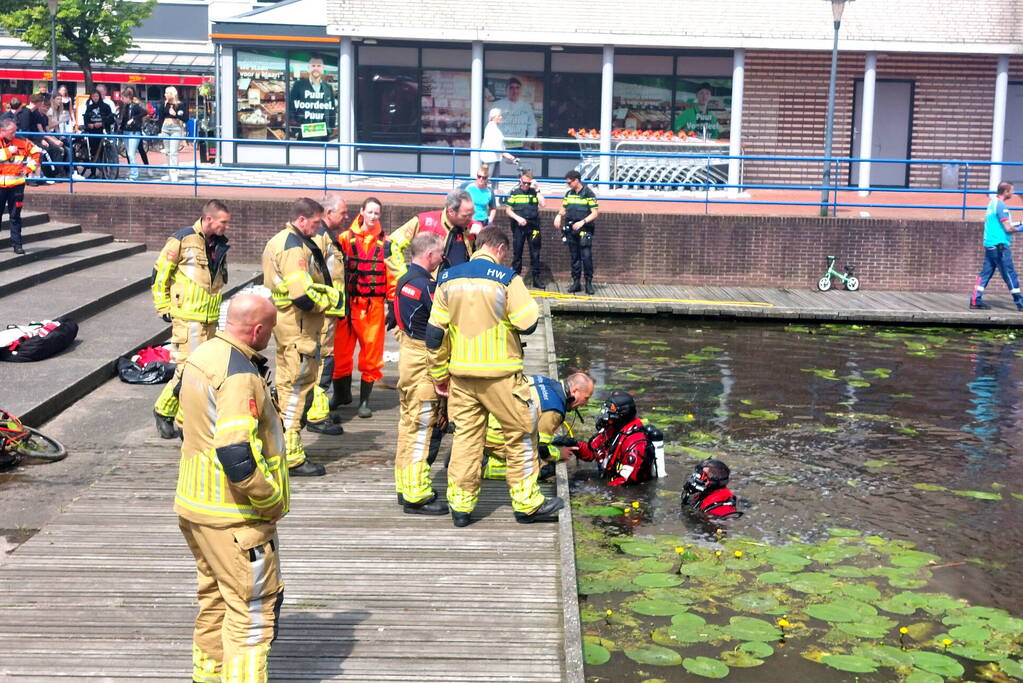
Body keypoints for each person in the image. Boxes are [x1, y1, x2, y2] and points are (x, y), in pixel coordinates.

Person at [174, 293, 290, 683]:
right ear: (257, 330)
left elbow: (182, 421)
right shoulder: (240, 375)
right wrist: (270, 498)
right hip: (234, 518)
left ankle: (208, 675)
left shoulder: (203, 355)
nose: (270, 338)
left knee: (215, 601)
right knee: (250, 616)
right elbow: (236, 451)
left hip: (195, 507)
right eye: (269, 330)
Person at [425, 226, 563, 527]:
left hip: (462, 377)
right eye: (505, 253)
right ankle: (527, 504)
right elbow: (528, 323)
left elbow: (435, 334)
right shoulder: (507, 279)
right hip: (501, 376)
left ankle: (460, 507)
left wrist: (439, 374)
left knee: (466, 439)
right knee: (522, 434)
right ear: (500, 248)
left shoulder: (447, 279)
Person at [262, 197, 342, 477]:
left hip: (288, 325)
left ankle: (280, 449)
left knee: (287, 387)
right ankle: (292, 457)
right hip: (298, 328)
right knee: (296, 390)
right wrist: (328, 301)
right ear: (301, 220)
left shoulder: (282, 240)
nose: (318, 228)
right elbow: (302, 295)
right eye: (316, 223)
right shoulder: (293, 247)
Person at [151, 200, 232, 439]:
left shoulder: (218, 244)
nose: (226, 226)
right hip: (188, 319)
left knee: (203, 372)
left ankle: (169, 411)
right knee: (188, 371)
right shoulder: (183, 239)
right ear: (209, 219)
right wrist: (163, 306)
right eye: (223, 222)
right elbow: (160, 272)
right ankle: (181, 421)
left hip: (210, 319)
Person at [393, 232, 449, 515]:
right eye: (440, 253)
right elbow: (442, 323)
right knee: (422, 428)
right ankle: (417, 494)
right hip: (423, 361)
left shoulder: (404, 280)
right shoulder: (427, 287)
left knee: (407, 425)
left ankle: (405, 486)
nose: (442, 257)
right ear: (429, 255)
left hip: (407, 358)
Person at [330, 197, 394, 419]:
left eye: (377, 213)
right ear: (362, 212)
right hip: (347, 304)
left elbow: (392, 273)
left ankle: (364, 401)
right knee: (340, 351)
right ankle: (341, 394)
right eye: (370, 212)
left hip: (373, 305)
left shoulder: (386, 243)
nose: (373, 216)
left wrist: (392, 302)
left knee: (371, 354)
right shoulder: (344, 239)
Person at [482, 372, 594, 481]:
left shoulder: (545, 381)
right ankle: (487, 467)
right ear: (575, 391)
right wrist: (559, 453)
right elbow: (541, 449)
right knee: (543, 469)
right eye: (586, 398)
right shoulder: (554, 410)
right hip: (495, 437)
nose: (586, 403)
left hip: (483, 422)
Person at [304, 193, 349, 431]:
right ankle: (316, 416)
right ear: (329, 213)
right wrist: (322, 304)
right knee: (323, 360)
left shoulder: (329, 237)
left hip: (330, 311)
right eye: (343, 213)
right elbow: (311, 274)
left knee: (326, 358)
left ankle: (319, 410)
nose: (346, 217)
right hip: (323, 312)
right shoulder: (320, 238)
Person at [553, 390, 655, 486]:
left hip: (628, 489)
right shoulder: (613, 429)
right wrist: (573, 444)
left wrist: (600, 490)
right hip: (610, 477)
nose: (606, 413)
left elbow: (626, 481)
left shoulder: (636, 443)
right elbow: (592, 452)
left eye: (611, 409)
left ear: (623, 414)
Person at [384, 188, 476, 281]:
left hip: (461, 286)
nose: (470, 219)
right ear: (451, 211)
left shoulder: (472, 227)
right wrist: (403, 276)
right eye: (465, 216)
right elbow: (391, 245)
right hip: (429, 285)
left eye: (472, 214)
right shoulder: (424, 221)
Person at [970, 181, 1022, 311]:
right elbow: (1007, 228)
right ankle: (1020, 303)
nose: (1013, 193)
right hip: (1000, 246)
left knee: (985, 273)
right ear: (1006, 191)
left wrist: (1018, 223)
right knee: (1010, 274)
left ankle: (975, 300)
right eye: (1012, 190)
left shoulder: (992, 203)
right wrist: (1021, 228)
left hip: (990, 245)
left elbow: (999, 224)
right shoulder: (1001, 206)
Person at [554, 170, 599, 295]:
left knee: (586, 257)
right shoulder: (569, 193)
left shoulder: (588, 193)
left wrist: (583, 222)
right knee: (575, 257)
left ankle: (588, 283)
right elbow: (564, 207)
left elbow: (595, 213)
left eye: (569, 183)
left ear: (576, 180)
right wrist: (558, 216)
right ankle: (576, 282)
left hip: (584, 229)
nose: (568, 185)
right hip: (571, 229)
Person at [0, 118, 41, 255]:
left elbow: (37, 152)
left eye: (15, 131)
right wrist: (8, 152)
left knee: (15, 216)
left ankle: (17, 245)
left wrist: (28, 168)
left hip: (16, 185)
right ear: (2, 131)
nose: (14, 134)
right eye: (11, 132)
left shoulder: (22, 142)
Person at [505, 167, 545, 289]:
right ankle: (515, 279)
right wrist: (518, 218)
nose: (526, 185)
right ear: (520, 180)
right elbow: (508, 210)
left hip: (533, 226)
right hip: (519, 227)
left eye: (528, 183)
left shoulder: (534, 192)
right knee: (517, 252)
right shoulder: (514, 192)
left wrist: (537, 189)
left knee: (535, 252)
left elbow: (543, 204)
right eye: (524, 182)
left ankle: (536, 279)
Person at [289, 54, 337, 141]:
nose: (316, 68)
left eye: (319, 66)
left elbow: (332, 110)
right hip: (304, 133)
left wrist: (330, 128)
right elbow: (291, 108)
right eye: (313, 66)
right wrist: (296, 129)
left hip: (323, 133)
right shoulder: (299, 85)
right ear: (308, 68)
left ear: (322, 68)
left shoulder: (328, 87)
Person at [491, 77, 538, 150]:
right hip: (502, 145)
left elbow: (532, 125)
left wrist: (529, 139)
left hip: (521, 145)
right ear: (506, 90)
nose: (515, 91)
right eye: (511, 88)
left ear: (521, 90)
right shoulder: (497, 105)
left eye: (517, 88)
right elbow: (491, 124)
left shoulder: (527, 106)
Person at [479, 108, 517, 193]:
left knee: (495, 179)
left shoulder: (494, 127)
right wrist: (505, 154)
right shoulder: (491, 128)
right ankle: (486, 194)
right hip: (490, 158)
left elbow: (499, 144)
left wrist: (505, 153)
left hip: (495, 157)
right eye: (499, 116)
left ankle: (494, 195)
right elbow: (494, 145)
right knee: (488, 178)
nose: (501, 117)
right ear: (493, 117)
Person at [157, 86, 189, 182]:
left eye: (167, 93)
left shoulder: (180, 105)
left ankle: (174, 173)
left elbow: (186, 118)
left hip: (175, 128)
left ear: (172, 94)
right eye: (165, 93)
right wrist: (159, 131)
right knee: (167, 151)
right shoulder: (164, 104)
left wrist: (176, 114)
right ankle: (169, 172)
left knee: (173, 152)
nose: (165, 95)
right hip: (165, 127)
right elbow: (160, 118)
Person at [118, 86, 149, 181]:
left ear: (128, 98)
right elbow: (123, 119)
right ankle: (132, 172)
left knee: (131, 154)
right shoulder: (124, 107)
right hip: (126, 132)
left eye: (123, 98)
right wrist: (120, 128)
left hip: (134, 132)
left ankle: (134, 174)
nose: (122, 100)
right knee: (128, 153)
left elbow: (145, 112)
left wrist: (134, 119)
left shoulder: (135, 106)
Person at [458, 163, 497, 239]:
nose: (481, 179)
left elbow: (493, 208)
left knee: (481, 243)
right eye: (479, 176)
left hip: (483, 221)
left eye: (484, 178)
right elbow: (458, 201)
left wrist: (490, 222)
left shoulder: (489, 191)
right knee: (468, 242)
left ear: (487, 178)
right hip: (469, 221)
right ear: (476, 176)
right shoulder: (467, 187)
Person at [80, 89, 114, 178]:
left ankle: (104, 172)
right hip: (92, 132)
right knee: (93, 152)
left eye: (97, 96)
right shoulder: (89, 107)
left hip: (102, 131)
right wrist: (89, 125)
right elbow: (86, 118)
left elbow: (111, 119)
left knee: (103, 152)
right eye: (93, 96)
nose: (95, 98)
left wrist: (102, 123)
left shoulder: (106, 107)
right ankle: (93, 172)